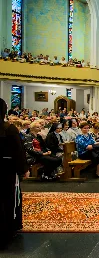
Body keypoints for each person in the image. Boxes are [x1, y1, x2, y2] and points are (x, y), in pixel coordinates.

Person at [0, 98, 28, 249]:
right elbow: (18, 151)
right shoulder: (9, 129)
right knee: (8, 199)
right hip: (6, 170)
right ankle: (7, 231)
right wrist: (23, 169)